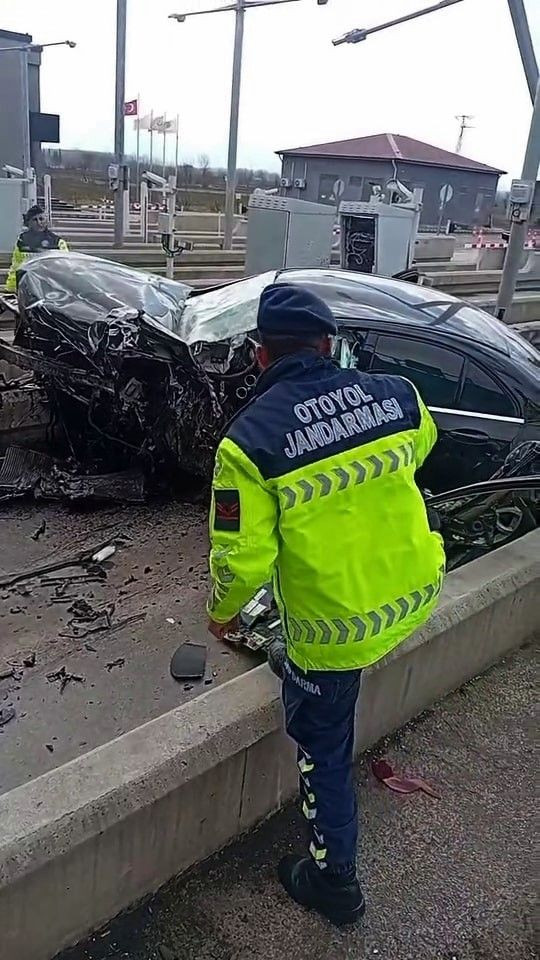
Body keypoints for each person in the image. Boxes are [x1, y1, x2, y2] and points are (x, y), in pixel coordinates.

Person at [207, 283, 445, 927]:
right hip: (413, 593)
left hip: (337, 628)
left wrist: (222, 612)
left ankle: (334, 881)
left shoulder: (248, 441)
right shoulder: (398, 394)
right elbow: (417, 453)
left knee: (324, 749)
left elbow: (241, 562)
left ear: (260, 356)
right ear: (329, 344)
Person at [6, 205, 68, 293]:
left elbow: (64, 269)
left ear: (46, 220)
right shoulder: (22, 241)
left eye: (41, 219)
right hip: (27, 287)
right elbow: (16, 266)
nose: (39, 223)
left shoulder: (57, 242)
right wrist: (11, 289)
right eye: (35, 220)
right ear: (29, 223)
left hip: (50, 288)